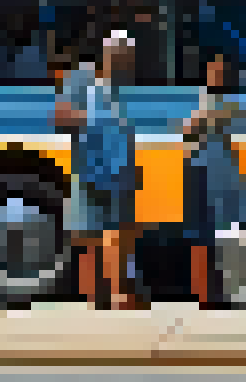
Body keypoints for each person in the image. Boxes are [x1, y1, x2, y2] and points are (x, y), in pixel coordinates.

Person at [56, 30, 144, 310]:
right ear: (106, 55)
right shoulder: (82, 79)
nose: (123, 62)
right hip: (90, 171)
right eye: (119, 55)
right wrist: (94, 119)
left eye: (127, 58)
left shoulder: (126, 88)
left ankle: (119, 296)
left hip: (121, 173)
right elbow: (59, 117)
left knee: (121, 235)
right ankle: (96, 300)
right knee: (90, 237)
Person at [182, 53, 246, 308]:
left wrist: (210, 120)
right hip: (200, 176)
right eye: (213, 70)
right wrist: (209, 119)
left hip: (225, 182)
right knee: (201, 238)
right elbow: (188, 131)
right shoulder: (201, 100)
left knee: (225, 241)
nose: (216, 75)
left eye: (221, 71)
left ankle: (220, 293)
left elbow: (236, 121)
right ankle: (205, 294)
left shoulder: (235, 102)